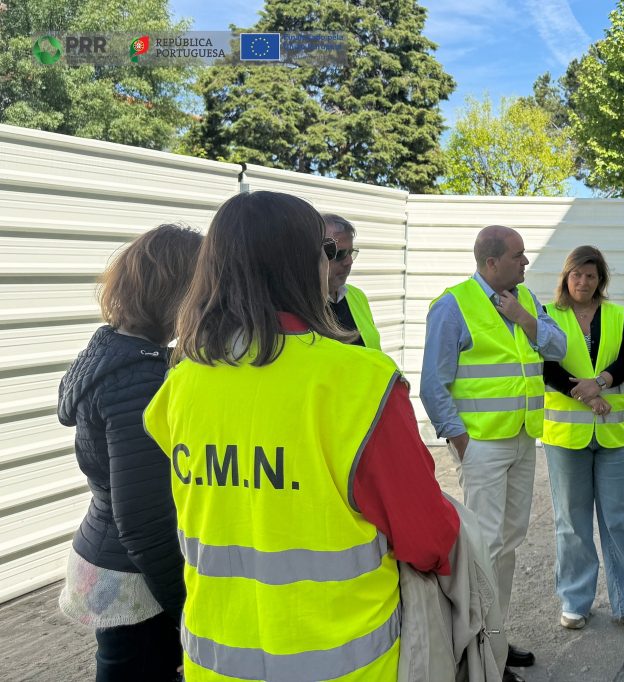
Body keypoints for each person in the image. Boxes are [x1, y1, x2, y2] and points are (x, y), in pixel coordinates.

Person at [143, 191, 460, 682]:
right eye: (328, 252)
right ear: (303, 262)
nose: (332, 263)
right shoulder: (361, 382)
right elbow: (426, 538)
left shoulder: (182, 381)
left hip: (215, 660)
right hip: (343, 662)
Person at [420, 225, 567, 682]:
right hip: (482, 445)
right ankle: (477, 654)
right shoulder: (453, 305)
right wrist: (461, 441)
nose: (526, 263)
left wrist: (525, 319)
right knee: (482, 551)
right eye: (519, 256)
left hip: (523, 439)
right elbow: (433, 384)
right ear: (491, 263)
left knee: (507, 546)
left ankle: (495, 642)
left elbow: (558, 347)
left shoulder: (527, 301)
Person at [57, 223, 203, 681]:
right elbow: (142, 518)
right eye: (204, 285)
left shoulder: (109, 349)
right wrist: (187, 607)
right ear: (178, 291)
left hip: (109, 557)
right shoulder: (138, 379)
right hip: (134, 579)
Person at [540, 246, 624, 636]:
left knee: (622, 521)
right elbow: (547, 367)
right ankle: (575, 602)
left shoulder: (615, 315)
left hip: (611, 434)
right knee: (572, 522)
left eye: (591, 276)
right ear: (566, 277)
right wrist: (586, 395)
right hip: (566, 435)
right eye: (577, 275)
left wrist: (600, 383)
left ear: (601, 280)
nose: (583, 282)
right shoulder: (548, 316)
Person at [323, 213, 382, 350]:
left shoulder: (357, 296)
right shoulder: (302, 304)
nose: (349, 262)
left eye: (351, 252)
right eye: (341, 254)